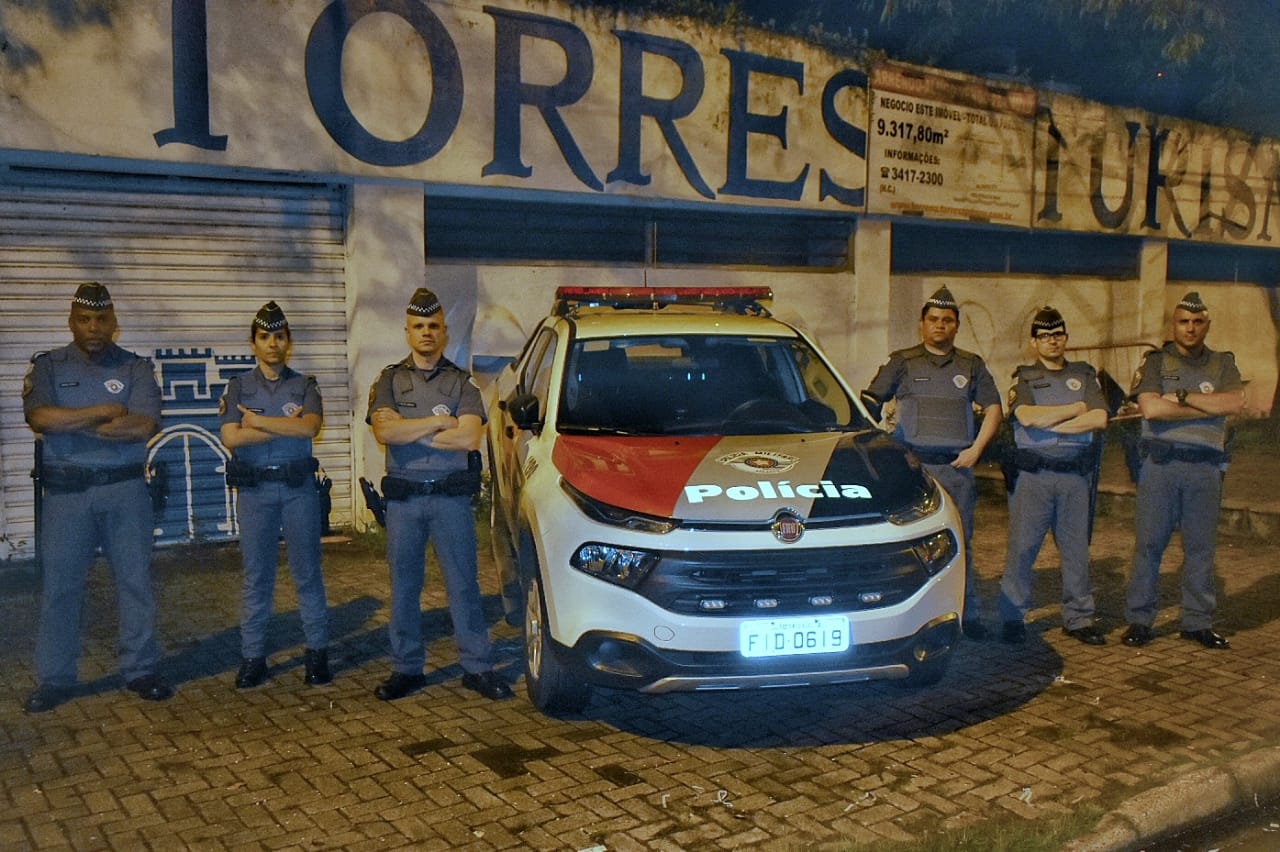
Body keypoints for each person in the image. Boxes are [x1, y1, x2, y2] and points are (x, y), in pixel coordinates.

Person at [21, 283, 173, 713]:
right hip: (67, 496)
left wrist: (73, 425)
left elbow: (143, 425)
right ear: (71, 322)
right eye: (84, 319)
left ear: (114, 323)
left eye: (101, 319)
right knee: (60, 589)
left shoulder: (136, 368)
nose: (93, 327)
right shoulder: (48, 367)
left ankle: (141, 669)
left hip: (125, 490)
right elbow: (40, 417)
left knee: (135, 582)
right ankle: (55, 679)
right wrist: (103, 412)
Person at [366, 288, 512, 701]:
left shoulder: (461, 383)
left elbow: (468, 439)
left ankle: (477, 667)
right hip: (404, 502)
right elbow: (384, 431)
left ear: (444, 333)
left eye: (433, 326)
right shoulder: (390, 380)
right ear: (407, 332)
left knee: (464, 585)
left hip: (450, 501)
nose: (426, 333)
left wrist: (411, 429)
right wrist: (437, 425)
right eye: (418, 326)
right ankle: (407, 669)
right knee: (404, 586)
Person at [862, 286, 1004, 639]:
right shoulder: (902, 361)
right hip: (912, 471)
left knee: (961, 542)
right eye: (934, 320)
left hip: (956, 470)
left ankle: (966, 615)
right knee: (906, 543)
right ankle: (904, 616)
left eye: (948, 321)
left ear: (956, 326)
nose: (940, 326)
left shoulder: (971, 365)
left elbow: (995, 410)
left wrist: (976, 451)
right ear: (922, 324)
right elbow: (868, 405)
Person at [1122, 292, 1256, 650]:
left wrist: (1181, 398)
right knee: (1149, 545)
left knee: (1201, 548)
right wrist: (1207, 408)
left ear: (1207, 325)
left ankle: (1197, 621)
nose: (1191, 328)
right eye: (1184, 321)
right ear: (1174, 325)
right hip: (1161, 466)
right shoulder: (1155, 362)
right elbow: (1151, 409)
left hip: (1205, 469)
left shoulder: (1223, 363)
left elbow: (1234, 401)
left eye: (1198, 322)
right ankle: (1140, 620)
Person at [219, 301, 331, 688]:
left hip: (298, 490)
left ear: (289, 343)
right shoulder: (238, 387)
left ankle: (317, 653)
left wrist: (259, 421)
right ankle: (253, 658)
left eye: (279, 337)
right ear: (253, 343)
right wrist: (287, 424)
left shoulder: (305, 385)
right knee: (256, 577)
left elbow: (310, 429)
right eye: (264, 337)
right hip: (255, 492)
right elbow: (232, 437)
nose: (272, 344)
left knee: (307, 574)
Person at [996, 307, 1109, 646]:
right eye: (1044, 336)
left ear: (1066, 338)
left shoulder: (1084, 375)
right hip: (1035, 477)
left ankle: (1079, 618)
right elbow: (1028, 417)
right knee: (1023, 548)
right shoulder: (1025, 377)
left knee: (1076, 550)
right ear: (1034, 341)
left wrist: (1054, 425)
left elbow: (1101, 418)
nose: (1052, 341)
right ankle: (1012, 616)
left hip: (1075, 477)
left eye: (1057, 334)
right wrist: (1076, 409)